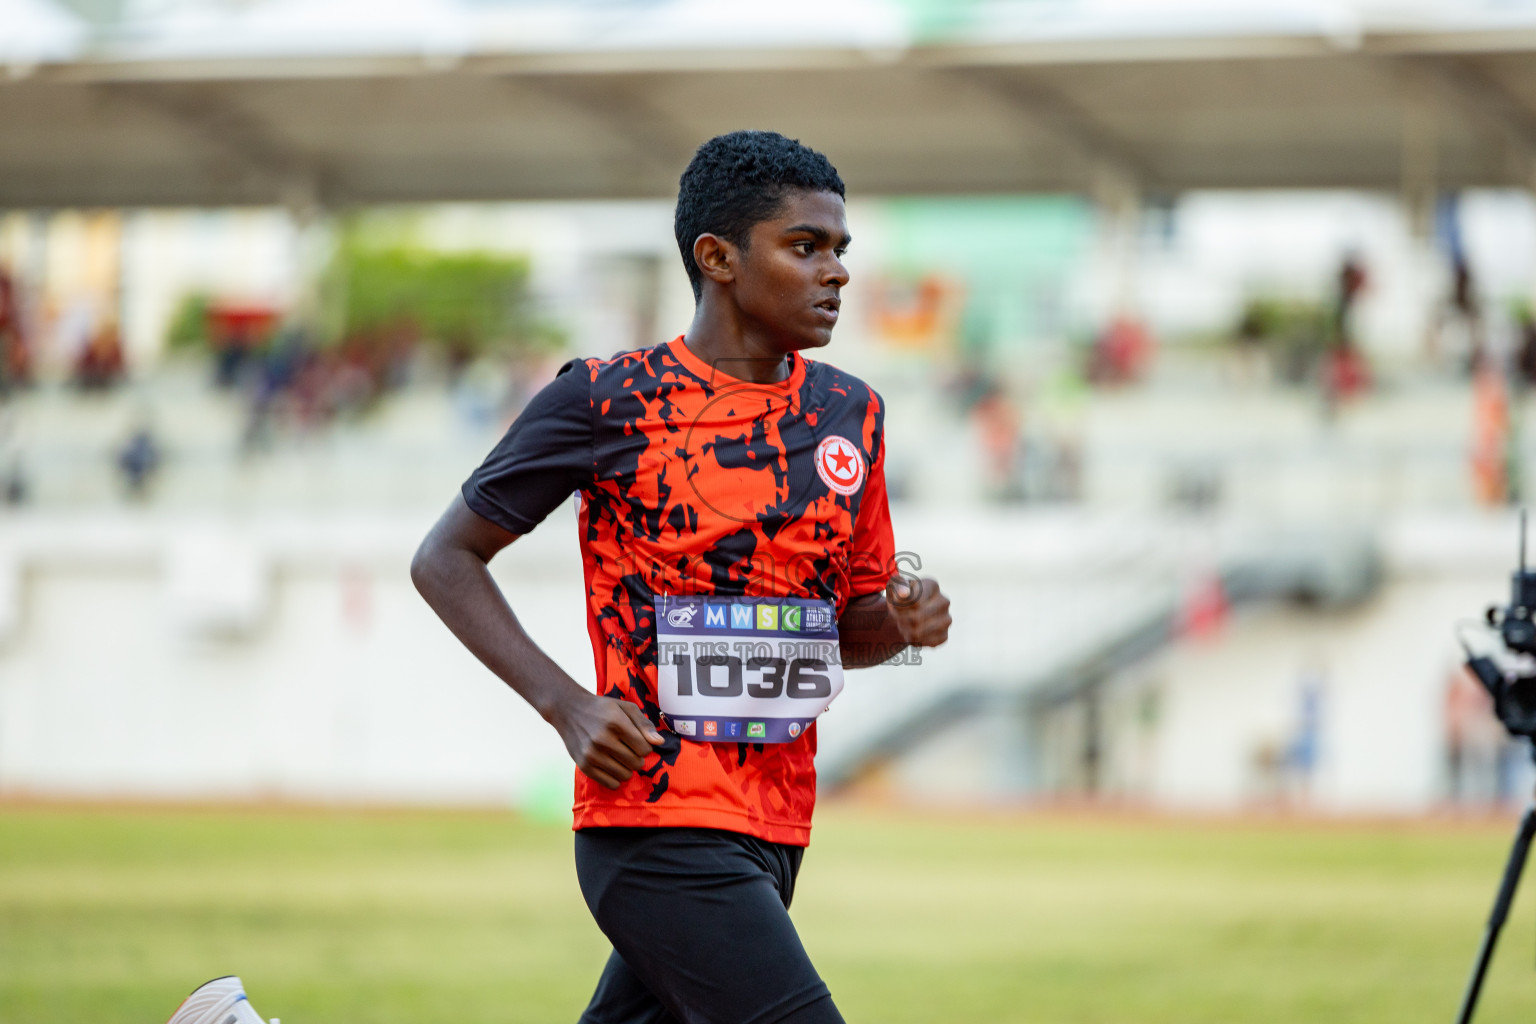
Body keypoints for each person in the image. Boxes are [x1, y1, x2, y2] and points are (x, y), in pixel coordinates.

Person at [164, 130, 951, 1024]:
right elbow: (444, 559)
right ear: (717, 258)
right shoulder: (607, 400)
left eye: (840, 250)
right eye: (805, 247)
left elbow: (846, 633)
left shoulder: (853, 413)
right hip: (656, 820)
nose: (836, 272)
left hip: (778, 824)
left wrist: (903, 621)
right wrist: (567, 704)